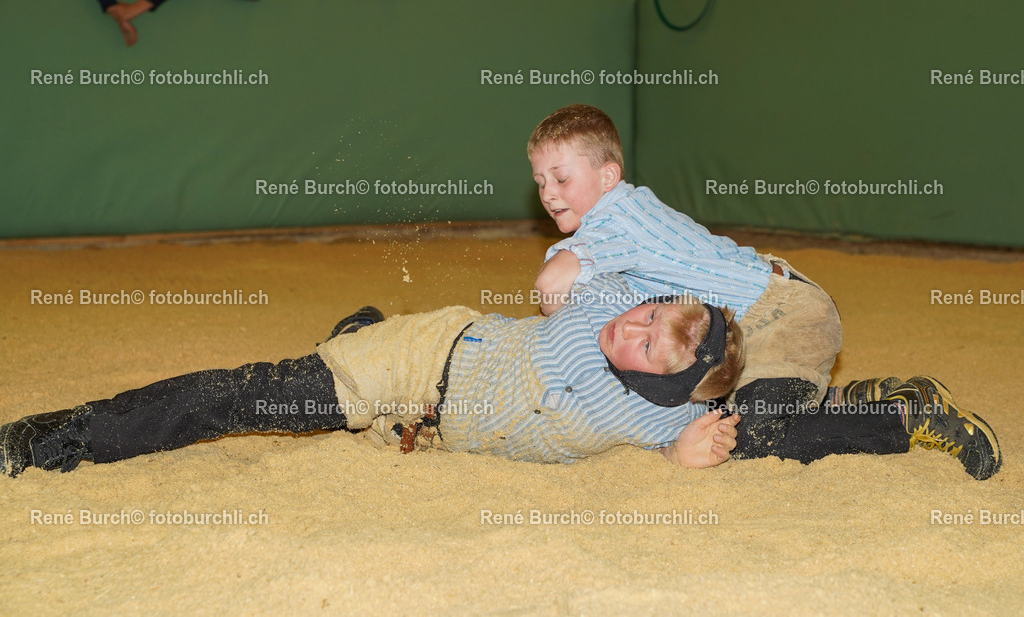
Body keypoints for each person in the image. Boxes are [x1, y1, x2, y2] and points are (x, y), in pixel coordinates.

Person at [527, 103, 1002, 480]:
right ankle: (849, 398)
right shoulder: (619, 218)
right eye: (540, 180)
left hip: (779, 315)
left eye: (562, 177)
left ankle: (907, 416)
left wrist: (562, 343)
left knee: (750, 436)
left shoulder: (617, 218)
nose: (549, 192)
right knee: (705, 401)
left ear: (608, 176)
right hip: (752, 318)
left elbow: (552, 286)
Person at [0, 275, 747, 478]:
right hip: (425, 357)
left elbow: (762, 412)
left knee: (342, 386)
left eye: (653, 345)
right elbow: (580, 266)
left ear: (668, 386)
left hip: (426, 427)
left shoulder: (658, 414)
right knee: (252, 397)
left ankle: (357, 326)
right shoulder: (596, 307)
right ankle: (49, 438)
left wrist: (677, 455)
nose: (636, 329)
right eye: (649, 313)